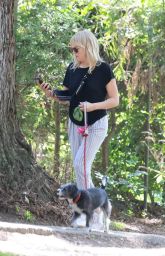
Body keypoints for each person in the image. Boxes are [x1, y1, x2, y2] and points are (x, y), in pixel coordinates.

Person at [39, 29, 119, 229]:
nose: (73, 52)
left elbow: (115, 100)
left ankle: (88, 212)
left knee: (79, 165)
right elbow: (67, 97)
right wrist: (51, 94)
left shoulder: (103, 69)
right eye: (71, 49)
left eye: (76, 48)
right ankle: (97, 211)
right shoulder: (72, 69)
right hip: (75, 123)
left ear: (87, 46)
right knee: (81, 170)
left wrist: (93, 106)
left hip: (96, 123)